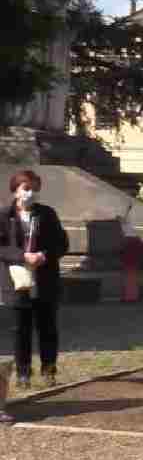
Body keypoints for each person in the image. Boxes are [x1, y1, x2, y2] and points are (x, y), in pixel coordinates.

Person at [0, 170, 69, 413]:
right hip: (17, 280)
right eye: (25, 187)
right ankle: (23, 373)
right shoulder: (4, 215)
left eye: (33, 188)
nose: (29, 192)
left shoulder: (47, 214)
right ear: (15, 189)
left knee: (47, 326)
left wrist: (44, 255)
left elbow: (62, 243)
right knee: (21, 329)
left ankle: (49, 369)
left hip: (44, 278)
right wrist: (21, 256)